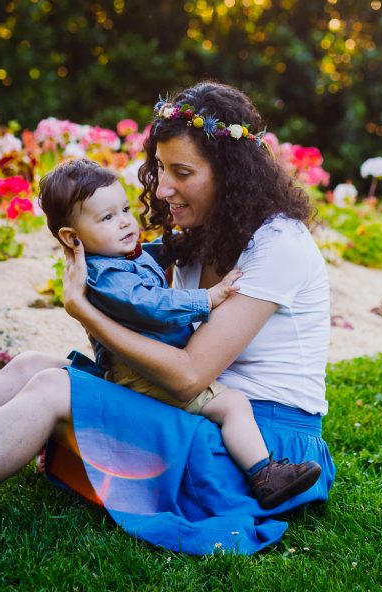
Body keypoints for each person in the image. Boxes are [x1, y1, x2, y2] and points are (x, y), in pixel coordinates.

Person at [0, 81, 335, 554]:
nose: (164, 187)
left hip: (262, 450)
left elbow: (190, 376)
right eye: (161, 168)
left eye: (182, 171)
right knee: (31, 366)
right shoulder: (203, 232)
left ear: (231, 174)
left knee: (52, 390)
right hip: (205, 414)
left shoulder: (278, 245)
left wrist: (84, 311)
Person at [37, 157, 322, 508]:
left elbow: (155, 255)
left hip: (154, 373)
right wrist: (208, 297)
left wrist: (180, 246)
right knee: (232, 403)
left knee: (43, 376)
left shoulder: (121, 259)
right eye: (108, 218)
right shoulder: (110, 276)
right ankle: (264, 473)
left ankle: (68, 449)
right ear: (71, 236)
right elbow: (152, 303)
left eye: (125, 209)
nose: (126, 222)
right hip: (148, 375)